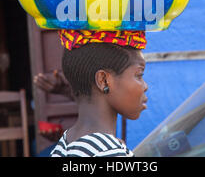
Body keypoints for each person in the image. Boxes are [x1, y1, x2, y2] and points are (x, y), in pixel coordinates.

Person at [50, 29, 148, 157]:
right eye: (139, 75)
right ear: (104, 81)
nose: (145, 86)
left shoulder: (65, 143)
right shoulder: (108, 153)